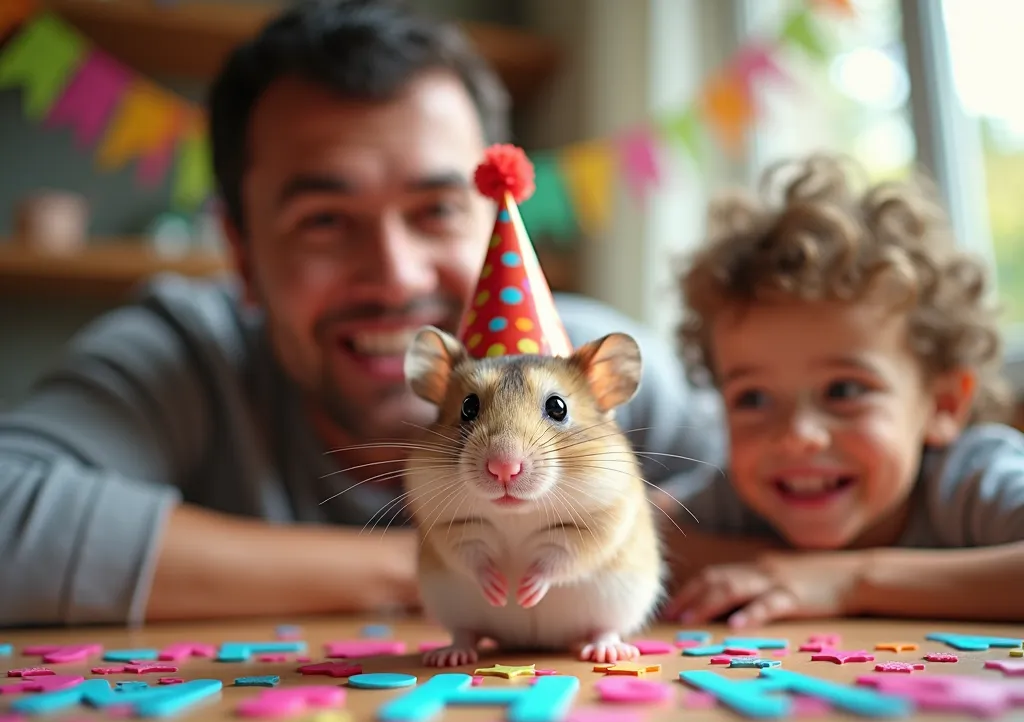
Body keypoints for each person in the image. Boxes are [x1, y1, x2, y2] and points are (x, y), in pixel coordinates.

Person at [0, 0, 724, 628]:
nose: (394, 276)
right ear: (241, 252)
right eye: (324, 220)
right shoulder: (183, 354)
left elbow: (783, 485)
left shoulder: (585, 365)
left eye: (438, 210)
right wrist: (431, 560)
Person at [660, 153, 1024, 629]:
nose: (797, 437)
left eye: (845, 390)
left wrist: (851, 579)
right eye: (753, 398)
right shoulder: (736, 493)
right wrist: (782, 566)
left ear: (943, 404)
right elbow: (621, 532)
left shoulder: (971, 480)